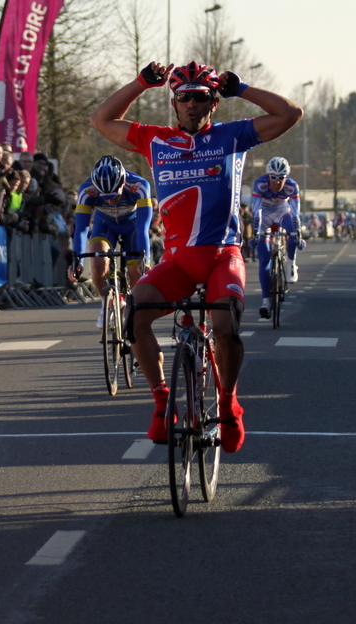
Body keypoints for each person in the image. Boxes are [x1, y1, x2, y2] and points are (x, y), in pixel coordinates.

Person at [91, 60, 302, 454]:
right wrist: (140, 83)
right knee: (133, 315)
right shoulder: (154, 140)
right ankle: (161, 404)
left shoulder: (232, 137)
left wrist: (241, 89)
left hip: (223, 256)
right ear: (174, 103)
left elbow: (290, 114)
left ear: (213, 104)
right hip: (178, 260)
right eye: (184, 98)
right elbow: (102, 120)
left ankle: (227, 403)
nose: (191, 105)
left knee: (224, 328)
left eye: (201, 98)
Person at [69, 156, 153, 326]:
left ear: (123, 182)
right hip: (105, 226)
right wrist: (77, 260)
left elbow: (144, 228)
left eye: (114, 196)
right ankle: (105, 304)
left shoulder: (140, 186)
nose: (109, 200)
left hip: (133, 228)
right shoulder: (87, 190)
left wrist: (146, 260)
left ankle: (134, 313)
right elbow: (81, 229)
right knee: (97, 262)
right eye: (105, 196)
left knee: (136, 272)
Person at [251, 156, 302, 318]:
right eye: (273, 177)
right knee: (264, 257)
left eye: (281, 178)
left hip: (282, 211)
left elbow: (295, 213)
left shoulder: (292, 186)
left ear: (286, 178)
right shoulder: (260, 184)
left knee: (293, 229)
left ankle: (291, 265)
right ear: (268, 176)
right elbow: (256, 211)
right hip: (264, 215)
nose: (277, 182)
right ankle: (266, 301)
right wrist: (256, 232)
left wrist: (297, 232)